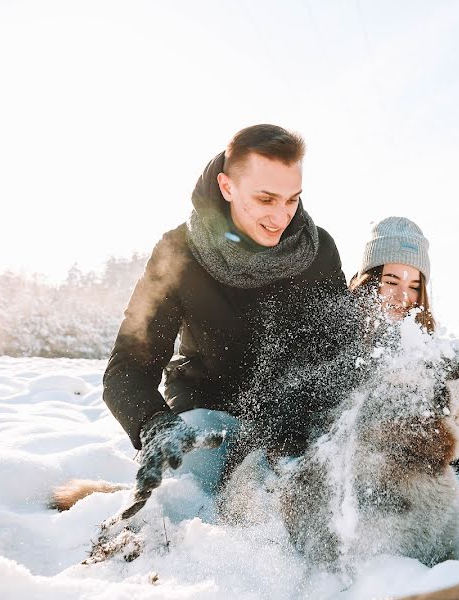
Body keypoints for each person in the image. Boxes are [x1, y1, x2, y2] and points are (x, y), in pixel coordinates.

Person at [102, 124, 347, 505]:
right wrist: (154, 424)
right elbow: (128, 366)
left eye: (292, 199)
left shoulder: (318, 251)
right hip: (209, 416)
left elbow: (339, 352)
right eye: (266, 200)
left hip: (294, 421)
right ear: (227, 187)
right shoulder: (178, 252)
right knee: (192, 506)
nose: (281, 217)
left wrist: (303, 420)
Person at [348, 217, 459, 472]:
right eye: (391, 281)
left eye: (413, 286)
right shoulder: (342, 334)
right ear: (369, 280)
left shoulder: (418, 341)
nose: (403, 297)